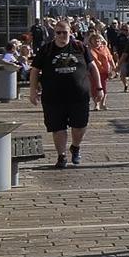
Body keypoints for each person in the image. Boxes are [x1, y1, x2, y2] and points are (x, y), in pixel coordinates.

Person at [28, 19, 92, 167]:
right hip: (53, 97)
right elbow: (35, 71)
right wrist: (32, 91)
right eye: (59, 32)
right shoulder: (46, 49)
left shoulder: (80, 47)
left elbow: (92, 67)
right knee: (57, 128)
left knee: (80, 126)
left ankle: (75, 147)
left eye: (65, 32)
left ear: (71, 32)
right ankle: (61, 155)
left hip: (78, 96)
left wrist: (99, 88)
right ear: (54, 33)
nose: (62, 35)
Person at [86, 31, 115, 110]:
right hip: (92, 71)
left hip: (104, 71)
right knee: (94, 88)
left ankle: (103, 103)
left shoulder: (104, 48)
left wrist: (114, 68)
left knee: (104, 87)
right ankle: (96, 104)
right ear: (91, 41)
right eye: (95, 40)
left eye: (98, 40)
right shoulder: (88, 49)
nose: (97, 42)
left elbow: (110, 58)